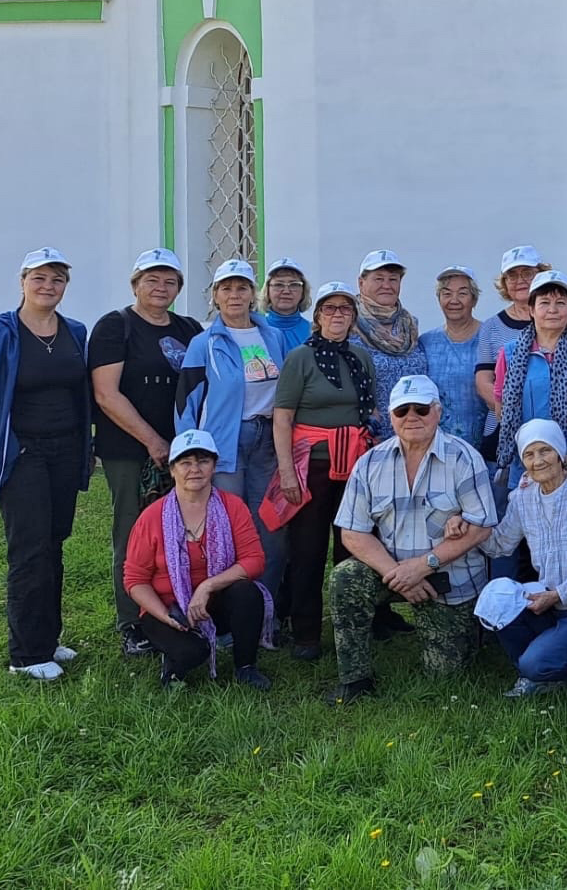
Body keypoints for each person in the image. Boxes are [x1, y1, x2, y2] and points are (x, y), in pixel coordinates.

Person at [0, 247, 92, 681]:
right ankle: (26, 655)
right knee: (30, 550)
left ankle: (46, 638)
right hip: (21, 454)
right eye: (39, 278)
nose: (48, 286)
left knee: (53, 543)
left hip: (65, 451)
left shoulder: (74, 332)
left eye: (57, 279)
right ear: (22, 282)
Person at [327, 375, 496, 703]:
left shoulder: (464, 458)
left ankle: (471, 633)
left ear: (438, 411)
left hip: (448, 576)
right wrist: (400, 574)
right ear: (391, 417)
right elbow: (352, 532)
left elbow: (481, 527)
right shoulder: (369, 463)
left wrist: (423, 565)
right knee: (345, 578)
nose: (412, 417)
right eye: (402, 411)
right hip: (391, 570)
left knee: (445, 677)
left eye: (421, 408)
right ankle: (355, 678)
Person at [89, 247, 204, 658]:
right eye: (151, 279)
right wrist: (153, 441)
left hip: (183, 451)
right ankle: (132, 624)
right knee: (134, 533)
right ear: (135, 284)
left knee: (184, 531)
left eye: (170, 281)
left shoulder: (190, 328)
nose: (161, 287)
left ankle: (178, 611)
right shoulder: (115, 327)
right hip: (130, 450)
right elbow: (106, 395)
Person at [461, 419, 567, 695]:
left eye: (545, 450)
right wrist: (465, 525)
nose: (538, 461)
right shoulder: (523, 498)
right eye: (529, 454)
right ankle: (545, 676)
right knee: (497, 597)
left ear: (560, 452)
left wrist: (558, 595)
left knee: (534, 662)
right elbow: (499, 545)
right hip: (547, 602)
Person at [270, 281, 377, 661]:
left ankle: (353, 627)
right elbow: (282, 417)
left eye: (345, 309)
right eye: (330, 308)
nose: (337, 315)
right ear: (317, 316)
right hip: (312, 466)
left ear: (353, 317)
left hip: (355, 468)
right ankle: (306, 634)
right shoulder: (300, 358)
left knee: (352, 547)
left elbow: (369, 410)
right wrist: (287, 472)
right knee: (308, 549)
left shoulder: (360, 358)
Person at [122, 428, 273, 689]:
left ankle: (246, 667)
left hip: (214, 602)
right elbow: (135, 580)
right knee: (192, 652)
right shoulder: (151, 517)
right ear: (172, 470)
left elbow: (254, 560)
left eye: (203, 461)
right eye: (185, 463)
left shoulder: (233, 507)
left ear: (214, 466)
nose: (195, 469)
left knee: (247, 592)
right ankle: (173, 662)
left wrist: (207, 586)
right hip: (168, 607)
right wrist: (165, 616)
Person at [175, 259, 290, 598]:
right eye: (226, 288)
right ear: (215, 295)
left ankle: (265, 603)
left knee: (269, 522)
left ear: (253, 294)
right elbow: (186, 402)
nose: (234, 295)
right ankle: (227, 606)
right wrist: (189, 451)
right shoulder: (204, 342)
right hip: (224, 442)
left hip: (267, 439)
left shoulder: (273, 336)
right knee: (227, 522)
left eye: (242, 288)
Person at [493, 270, 567, 484]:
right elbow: (502, 407)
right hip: (530, 460)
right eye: (544, 303)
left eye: (560, 303)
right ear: (531, 310)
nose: (553, 310)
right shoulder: (511, 353)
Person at [473, 245, 546, 469]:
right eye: (512, 275)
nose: (520, 280)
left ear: (540, 274)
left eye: (527, 273)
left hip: (552, 428)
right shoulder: (491, 327)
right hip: (502, 430)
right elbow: (483, 381)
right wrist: (511, 410)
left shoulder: (565, 317)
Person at [354, 249, 428, 441]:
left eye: (393, 279)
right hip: (370, 438)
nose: (386, 285)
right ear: (361, 283)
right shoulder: (349, 326)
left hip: (413, 434)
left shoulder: (410, 325)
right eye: (378, 279)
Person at [420, 266, 489, 447]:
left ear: (474, 299)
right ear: (439, 299)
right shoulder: (426, 342)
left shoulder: (490, 337)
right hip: (437, 446)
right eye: (447, 294)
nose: (454, 300)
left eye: (462, 293)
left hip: (485, 444)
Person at [262, 258, 312, 352]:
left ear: (303, 291)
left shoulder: (313, 333)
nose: (286, 291)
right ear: (267, 290)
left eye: (294, 285)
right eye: (278, 285)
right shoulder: (256, 331)